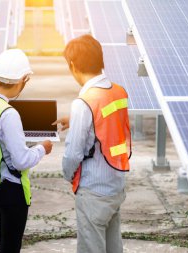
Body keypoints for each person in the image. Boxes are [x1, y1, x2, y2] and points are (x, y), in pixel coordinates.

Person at [53, 35, 132, 253]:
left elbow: (73, 154)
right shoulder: (118, 92)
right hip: (115, 184)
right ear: (100, 60)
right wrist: (77, 119)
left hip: (93, 191)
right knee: (113, 247)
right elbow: (107, 126)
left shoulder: (83, 103)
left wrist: (68, 175)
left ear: (72, 65)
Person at [0, 49, 53, 253]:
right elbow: (21, 161)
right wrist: (43, 148)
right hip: (11, 190)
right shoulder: (8, 114)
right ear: (23, 79)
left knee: (4, 244)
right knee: (10, 248)